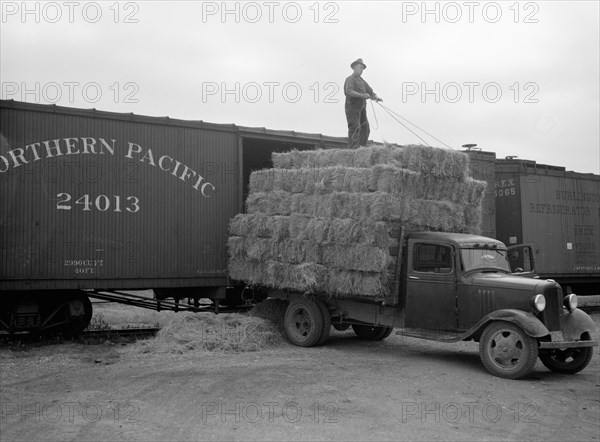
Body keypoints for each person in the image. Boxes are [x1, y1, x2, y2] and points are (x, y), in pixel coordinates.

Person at [344, 58, 382, 148]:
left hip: (362, 108)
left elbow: (370, 91)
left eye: (362, 68)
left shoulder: (362, 81)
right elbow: (349, 91)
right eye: (360, 67)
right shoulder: (349, 79)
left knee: (366, 129)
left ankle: (362, 148)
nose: (362, 70)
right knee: (355, 127)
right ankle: (353, 149)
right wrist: (362, 96)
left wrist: (375, 97)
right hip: (352, 108)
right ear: (354, 68)